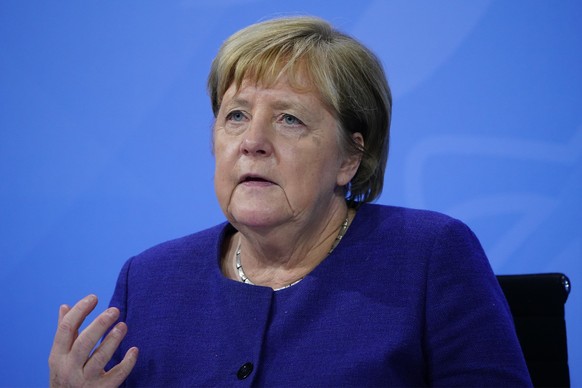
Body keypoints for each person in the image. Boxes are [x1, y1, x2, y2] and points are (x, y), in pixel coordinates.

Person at [49, 16, 532, 387]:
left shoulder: (429, 256)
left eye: (289, 120)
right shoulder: (150, 280)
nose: (252, 141)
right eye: (236, 115)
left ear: (350, 158)